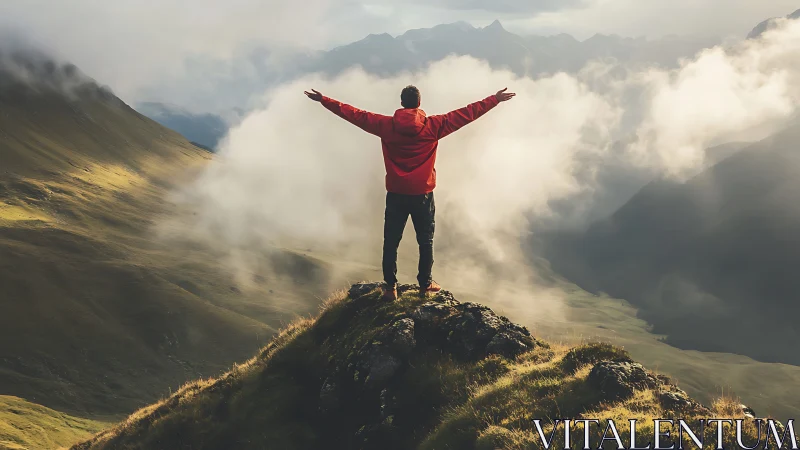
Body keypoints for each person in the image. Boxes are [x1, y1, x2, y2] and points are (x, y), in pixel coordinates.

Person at [304, 85, 515, 300]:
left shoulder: (385, 125)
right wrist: (494, 99)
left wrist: (325, 100)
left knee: (391, 241)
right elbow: (467, 113)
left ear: (402, 103)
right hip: (423, 194)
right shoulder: (434, 125)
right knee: (425, 241)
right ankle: (425, 285)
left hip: (396, 193)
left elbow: (354, 114)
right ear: (419, 103)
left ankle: (390, 288)